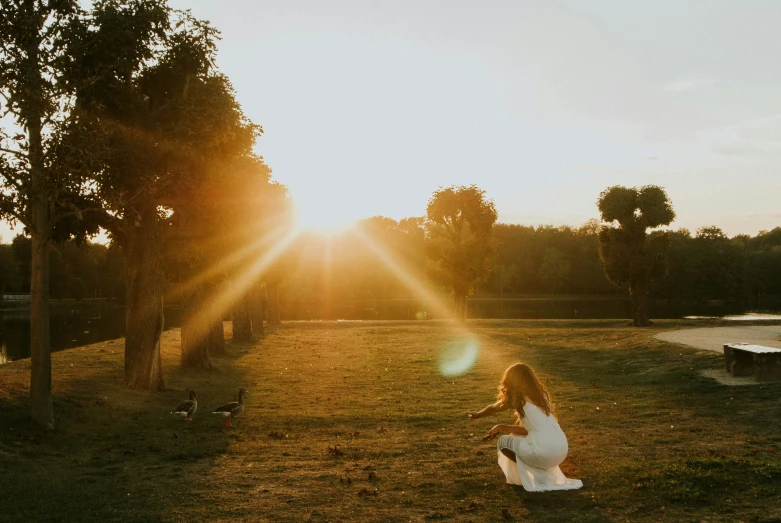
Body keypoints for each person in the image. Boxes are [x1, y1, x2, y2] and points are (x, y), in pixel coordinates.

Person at [467, 363, 583, 492]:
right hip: (561, 449)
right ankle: (541, 473)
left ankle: (536, 475)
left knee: (503, 442)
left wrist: (478, 415)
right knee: (515, 436)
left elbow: (494, 408)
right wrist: (501, 426)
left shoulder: (517, 399)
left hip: (544, 452)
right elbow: (529, 430)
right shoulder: (543, 397)